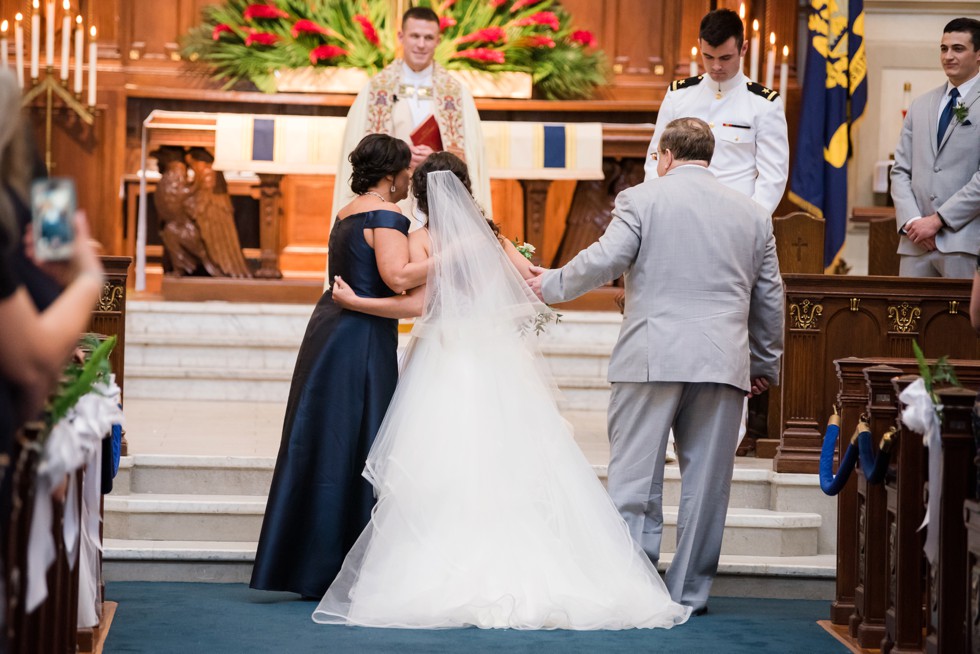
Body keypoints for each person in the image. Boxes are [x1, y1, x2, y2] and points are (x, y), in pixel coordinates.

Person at [312, 153, 690, 630]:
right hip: (495, 363)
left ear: (422, 196)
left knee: (441, 465)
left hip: (442, 361)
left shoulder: (420, 239)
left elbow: (416, 300)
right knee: (510, 461)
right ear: (467, 188)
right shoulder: (491, 236)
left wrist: (355, 301)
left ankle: (438, 571)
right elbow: (534, 284)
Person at [528, 118, 784, 614]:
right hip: (721, 360)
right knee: (707, 485)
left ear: (665, 155)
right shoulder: (753, 214)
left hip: (651, 355)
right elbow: (770, 296)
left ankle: (635, 587)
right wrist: (764, 363)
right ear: (711, 157)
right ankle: (689, 593)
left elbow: (607, 258)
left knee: (635, 478)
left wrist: (550, 286)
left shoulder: (641, 199)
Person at [249, 134, 427, 599]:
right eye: (406, 170)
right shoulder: (388, 215)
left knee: (327, 442)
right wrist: (463, 252)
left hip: (331, 329)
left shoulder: (347, 212)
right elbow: (399, 278)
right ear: (392, 175)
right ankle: (343, 566)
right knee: (359, 444)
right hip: (360, 340)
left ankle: (310, 564)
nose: (410, 178)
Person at [331, 7, 490, 226]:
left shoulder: (456, 94)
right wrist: (400, 155)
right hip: (390, 194)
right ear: (401, 37)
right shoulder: (376, 90)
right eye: (415, 36)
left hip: (438, 198)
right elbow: (359, 151)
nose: (421, 44)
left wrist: (435, 156)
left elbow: (471, 156)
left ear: (438, 40)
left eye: (428, 37)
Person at [643, 9, 788, 216]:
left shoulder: (764, 104)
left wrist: (750, 220)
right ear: (700, 45)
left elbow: (773, 176)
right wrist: (655, 210)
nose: (716, 66)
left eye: (725, 57)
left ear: (743, 48)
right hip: (680, 212)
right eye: (708, 57)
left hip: (736, 215)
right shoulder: (679, 95)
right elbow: (656, 157)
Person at [891, 17, 980, 278]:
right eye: (944, 48)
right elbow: (900, 171)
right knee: (907, 318)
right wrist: (913, 223)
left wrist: (938, 221)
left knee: (961, 320)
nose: (948, 56)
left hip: (963, 243)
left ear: (978, 55)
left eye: (958, 49)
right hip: (915, 244)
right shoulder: (921, 105)